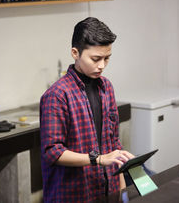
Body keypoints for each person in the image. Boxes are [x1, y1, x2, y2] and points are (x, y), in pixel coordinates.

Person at [40, 17, 134, 202]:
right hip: (75, 194)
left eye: (107, 58)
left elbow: (113, 142)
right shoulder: (57, 95)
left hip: (109, 188)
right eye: (95, 59)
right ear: (75, 53)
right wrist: (98, 159)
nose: (102, 66)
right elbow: (52, 151)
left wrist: (122, 191)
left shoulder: (106, 86)